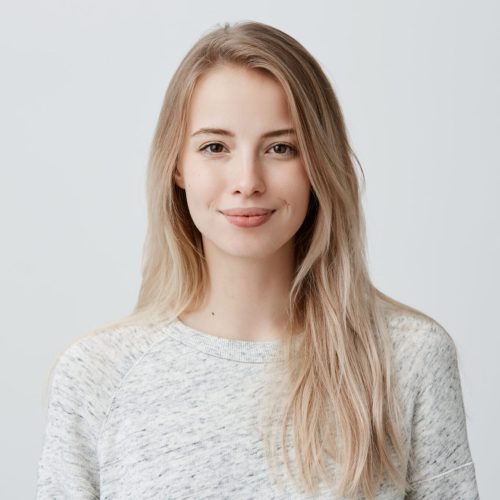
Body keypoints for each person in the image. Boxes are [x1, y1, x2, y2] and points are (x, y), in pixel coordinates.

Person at [36, 20, 479, 499]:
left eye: (280, 148)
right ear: (177, 166)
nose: (247, 180)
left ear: (319, 166)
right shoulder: (98, 373)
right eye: (215, 147)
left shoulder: (407, 359)